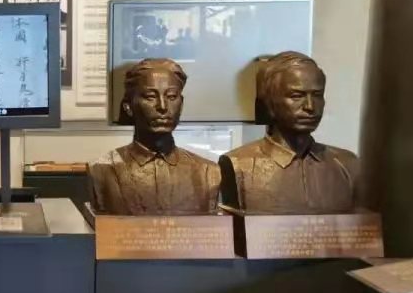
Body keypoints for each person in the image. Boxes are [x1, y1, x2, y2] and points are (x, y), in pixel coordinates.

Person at [219, 51, 359, 214]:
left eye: (317, 95)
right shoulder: (238, 165)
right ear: (270, 102)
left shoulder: (347, 164)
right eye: (296, 96)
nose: (310, 106)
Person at [89, 58, 219, 215]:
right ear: (128, 106)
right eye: (150, 97)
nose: (162, 107)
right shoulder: (102, 170)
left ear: (181, 104)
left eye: (171, 96)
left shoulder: (207, 172)